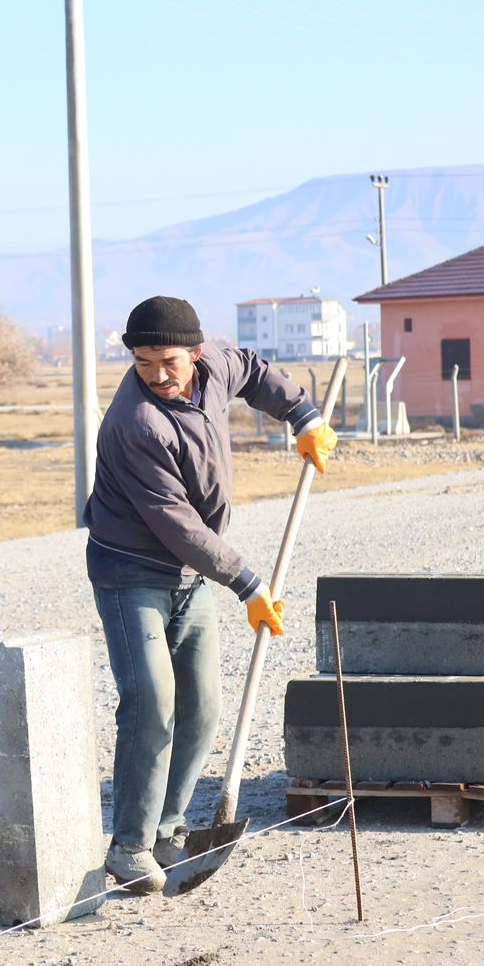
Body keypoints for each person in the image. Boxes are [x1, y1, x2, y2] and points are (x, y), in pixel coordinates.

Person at [83, 295, 337, 895]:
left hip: (191, 575)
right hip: (132, 574)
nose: (156, 374)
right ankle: (129, 846)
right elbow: (176, 523)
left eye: (167, 361)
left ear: (195, 354)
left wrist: (301, 414)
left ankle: (171, 827)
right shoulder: (133, 423)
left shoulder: (216, 364)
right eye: (144, 363)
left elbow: (252, 368)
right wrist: (247, 583)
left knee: (202, 708)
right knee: (151, 703)